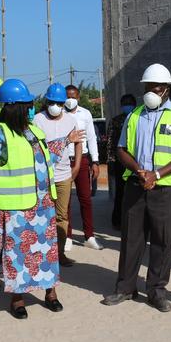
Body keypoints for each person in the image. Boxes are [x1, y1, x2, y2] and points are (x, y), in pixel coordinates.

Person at [0, 79, 84, 319]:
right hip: (16, 209)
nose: (30, 108)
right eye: (26, 105)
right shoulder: (0, 133)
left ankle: (50, 293)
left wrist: (67, 141)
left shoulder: (33, 130)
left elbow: (45, 154)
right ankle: (17, 299)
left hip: (42, 205)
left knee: (47, 252)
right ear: (13, 106)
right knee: (16, 256)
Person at [102, 63, 171, 313]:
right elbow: (121, 150)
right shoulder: (134, 116)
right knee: (131, 237)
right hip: (136, 185)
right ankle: (125, 288)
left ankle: (156, 290)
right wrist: (139, 170)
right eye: (147, 87)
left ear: (165, 89)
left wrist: (157, 174)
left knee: (163, 241)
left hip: (164, 188)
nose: (150, 91)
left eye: (155, 87)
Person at [34, 83, 83, 267]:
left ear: (63, 104)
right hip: (42, 176)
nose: (55, 106)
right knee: (43, 215)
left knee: (62, 216)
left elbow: (78, 142)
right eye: (52, 102)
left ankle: (60, 253)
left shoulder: (71, 120)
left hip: (63, 176)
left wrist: (76, 166)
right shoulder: (38, 120)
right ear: (47, 101)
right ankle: (42, 252)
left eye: (59, 103)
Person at [64, 84, 103, 250]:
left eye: (73, 96)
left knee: (85, 199)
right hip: (64, 160)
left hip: (83, 159)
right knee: (65, 201)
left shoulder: (85, 114)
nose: (70, 100)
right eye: (68, 96)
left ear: (78, 97)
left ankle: (89, 236)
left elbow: (92, 139)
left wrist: (95, 161)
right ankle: (67, 237)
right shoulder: (59, 114)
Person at [106, 94, 138, 230]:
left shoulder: (140, 119)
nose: (127, 105)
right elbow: (110, 143)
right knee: (121, 192)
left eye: (130, 103)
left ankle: (135, 221)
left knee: (136, 192)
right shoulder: (116, 121)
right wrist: (111, 161)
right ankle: (118, 220)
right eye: (125, 103)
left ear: (135, 104)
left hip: (138, 162)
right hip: (121, 162)